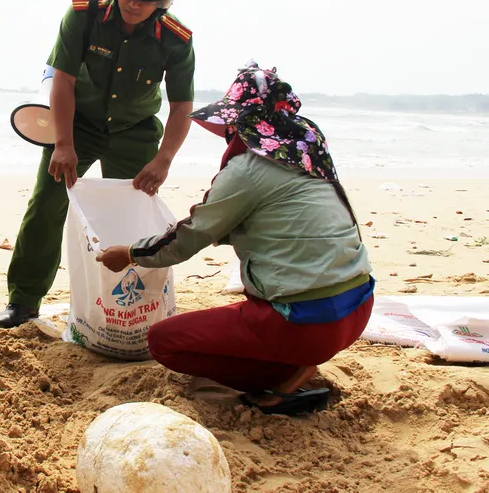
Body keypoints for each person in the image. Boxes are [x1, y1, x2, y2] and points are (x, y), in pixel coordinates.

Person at [96, 62, 375, 415]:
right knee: (247, 304)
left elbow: (192, 235)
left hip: (307, 323)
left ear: (242, 125)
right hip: (358, 306)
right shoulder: (308, 154)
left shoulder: (248, 170)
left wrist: (130, 254)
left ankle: (284, 379)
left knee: (164, 341)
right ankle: (298, 360)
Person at [0, 0, 197, 329]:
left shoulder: (176, 38)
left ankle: (129, 310)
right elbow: (63, 81)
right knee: (46, 206)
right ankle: (23, 301)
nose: (134, 4)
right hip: (77, 125)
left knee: (132, 216)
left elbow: (181, 106)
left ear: (164, 1)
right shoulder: (82, 16)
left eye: (145, 0)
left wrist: (163, 160)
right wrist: (63, 144)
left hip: (135, 131)